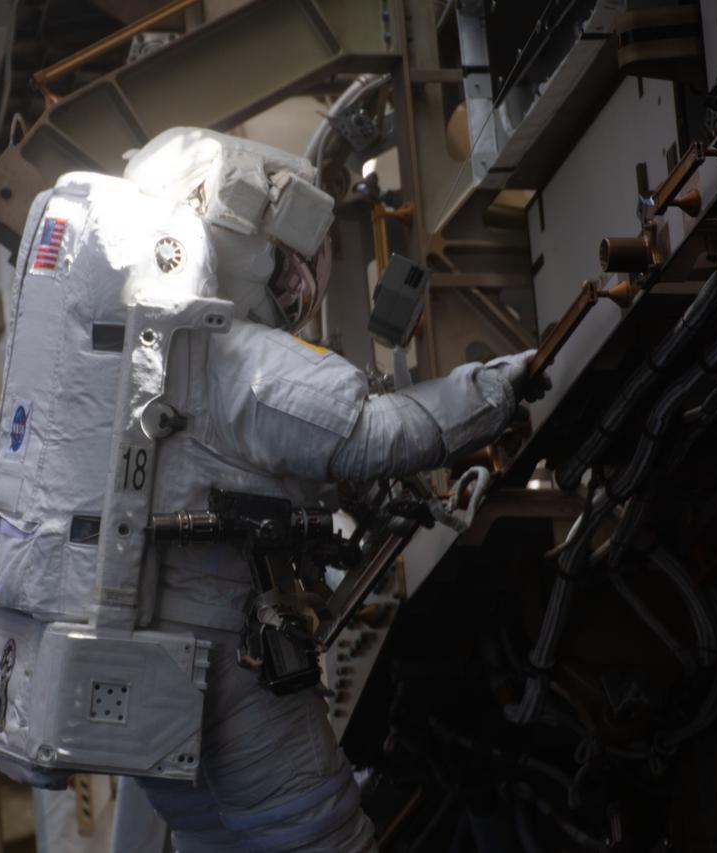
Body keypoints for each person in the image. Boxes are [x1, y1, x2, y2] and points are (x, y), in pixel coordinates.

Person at [100, 128, 547, 852]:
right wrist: (498, 388)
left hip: (141, 688)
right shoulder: (228, 358)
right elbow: (370, 435)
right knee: (321, 837)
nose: (295, 280)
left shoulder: (126, 364)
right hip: (224, 669)